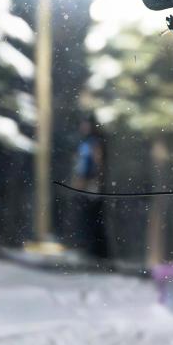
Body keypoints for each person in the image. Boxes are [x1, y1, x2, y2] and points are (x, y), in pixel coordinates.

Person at [70, 111, 111, 259]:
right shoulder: (84, 142)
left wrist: (95, 182)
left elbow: (97, 164)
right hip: (84, 185)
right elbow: (80, 166)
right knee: (85, 217)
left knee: (94, 218)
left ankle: (97, 252)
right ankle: (88, 249)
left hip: (92, 185)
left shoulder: (95, 142)